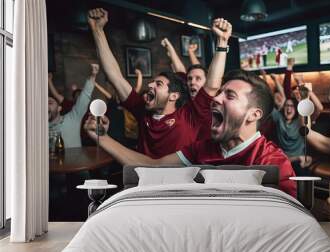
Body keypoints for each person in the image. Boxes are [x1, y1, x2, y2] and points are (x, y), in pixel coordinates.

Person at [84, 70, 297, 197]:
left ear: (253, 114)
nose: (216, 98)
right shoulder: (200, 148)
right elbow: (153, 166)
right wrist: (101, 136)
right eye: (219, 92)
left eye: (229, 96)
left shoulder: (274, 162)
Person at [88, 8, 231, 158]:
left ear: (173, 96)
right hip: (145, 179)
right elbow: (114, 76)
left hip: (180, 180)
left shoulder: (190, 115)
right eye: (152, 83)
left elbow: (213, 84)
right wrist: (97, 30)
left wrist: (222, 41)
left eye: (158, 84)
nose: (150, 85)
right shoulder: (142, 110)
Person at [48, 63, 98, 148]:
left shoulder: (72, 117)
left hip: (88, 142)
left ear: (60, 108)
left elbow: (85, 95)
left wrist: (93, 75)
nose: (46, 106)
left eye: (50, 103)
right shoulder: (38, 127)